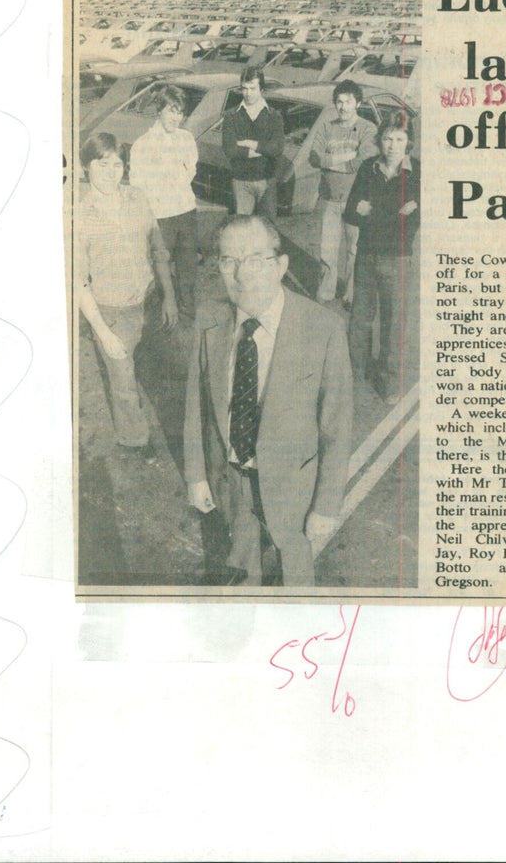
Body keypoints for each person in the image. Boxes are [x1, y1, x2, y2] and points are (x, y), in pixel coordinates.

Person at [183, 214, 352, 586]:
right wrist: (196, 475)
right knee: (238, 571)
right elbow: (196, 407)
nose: (242, 275)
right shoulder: (210, 319)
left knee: (291, 577)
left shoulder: (323, 328)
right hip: (228, 480)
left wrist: (326, 505)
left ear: (281, 266)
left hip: (294, 489)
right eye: (229, 261)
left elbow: (336, 427)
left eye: (256, 259)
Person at [77, 133, 178, 464]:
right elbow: (78, 282)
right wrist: (103, 332)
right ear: (85, 167)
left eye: (117, 164)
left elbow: (158, 250)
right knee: (123, 387)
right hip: (112, 314)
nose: (111, 171)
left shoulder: (137, 197)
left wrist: (170, 298)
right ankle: (135, 441)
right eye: (102, 164)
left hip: (149, 302)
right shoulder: (78, 214)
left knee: (161, 374)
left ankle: (173, 431)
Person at [344, 116, 420, 405]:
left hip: (397, 258)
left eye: (399, 139)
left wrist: (371, 211)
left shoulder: (416, 174)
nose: (392, 145)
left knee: (393, 322)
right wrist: (394, 211)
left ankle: (389, 382)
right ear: (380, 140)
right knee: (360, 319)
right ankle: (356, 373)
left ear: (408, 143)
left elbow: (411, 224)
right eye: (388, 138)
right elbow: (351, 211)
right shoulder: (367, 168)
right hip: (366, 254)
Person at [128, 83, 199, 318]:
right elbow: (140, 187)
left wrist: (170, 180)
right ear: (159, 110)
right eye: (171, 110)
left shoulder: (187, 139)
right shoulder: (143, 145)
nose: (176, 118)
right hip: (161, 219)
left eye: (180, 112)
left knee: (188, 272)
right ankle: (165, 320)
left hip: (186, 213)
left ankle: (188, 317)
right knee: (162, 274)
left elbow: (190, 173)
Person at [308, 79, 378, 305]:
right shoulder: (326, 127)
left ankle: (350, 294)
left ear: (358, 103)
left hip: (355, 199)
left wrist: (330, 161)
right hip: (328, 199)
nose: (343, 107)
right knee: (327, 250)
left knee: (354, 250)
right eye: (339, 102)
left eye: (348, 102)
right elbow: (314, 158)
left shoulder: (368, 129)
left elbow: (361, 163)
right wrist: (345, 157)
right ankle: (326, 292)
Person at [221, 67, 284, 217]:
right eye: (245, 89)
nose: (248, 93)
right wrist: (263, 149)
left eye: (253, 89)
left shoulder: (274, 116)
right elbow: (230, 150)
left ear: (262, 90)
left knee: (267, 229)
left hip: (266, 181)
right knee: (242, 229)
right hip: (240, 182)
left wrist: (249, 143)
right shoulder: (231, 116)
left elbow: (277, 148)